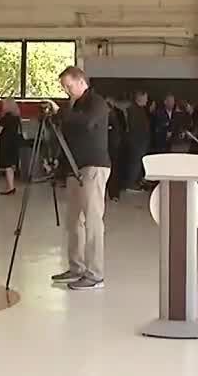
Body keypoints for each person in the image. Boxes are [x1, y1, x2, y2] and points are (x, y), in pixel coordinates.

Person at [45, 66, 111, 291]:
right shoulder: (71, 106)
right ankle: (77, 267)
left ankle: (95, 274)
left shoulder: (97, 103)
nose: (66, 90)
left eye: (69, 86)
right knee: (73, 220)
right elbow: (66, 134)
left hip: (93, 167)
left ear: (81, 82)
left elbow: (85, 123)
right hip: (73, 169)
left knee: (92, 220)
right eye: (64, 87)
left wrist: (60, 114)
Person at [123, 91, 151, 190]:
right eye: (145, 98)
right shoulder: (133, 110)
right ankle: (130, 184)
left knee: (138, 164)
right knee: (134, 164)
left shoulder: (141, 110)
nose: (147, 100)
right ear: (140, 97)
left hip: (141, 143)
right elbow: (135, 128)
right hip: (136, 143)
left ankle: (137, 181)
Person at [0, 98, 22, 196]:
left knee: (7, 165)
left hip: (5, 143)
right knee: (11, 165)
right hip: (14, 143)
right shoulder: (17, 118)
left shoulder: (5, 118)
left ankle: (10, 187)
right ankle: (11, 186)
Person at [104, 97, 127, 201]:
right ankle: (108, 193)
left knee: (115, 170)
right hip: (107, 145)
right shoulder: (104, 115)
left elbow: (123, 128)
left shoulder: (118, 114)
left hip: (116, 145)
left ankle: (114, 193)